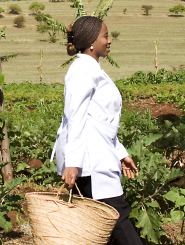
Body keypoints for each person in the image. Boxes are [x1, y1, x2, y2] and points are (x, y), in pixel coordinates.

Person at [50, 16, 143, 245]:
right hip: (90, 163)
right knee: (117, 222)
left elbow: (100, 120)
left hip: (99, 156)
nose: (109, 41)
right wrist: (73, 161)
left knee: (103, 228)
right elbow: (76, 118)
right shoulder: (82, 70)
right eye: (105, 36)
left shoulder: (91, 68)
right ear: (92, 41)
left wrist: (120, 152)